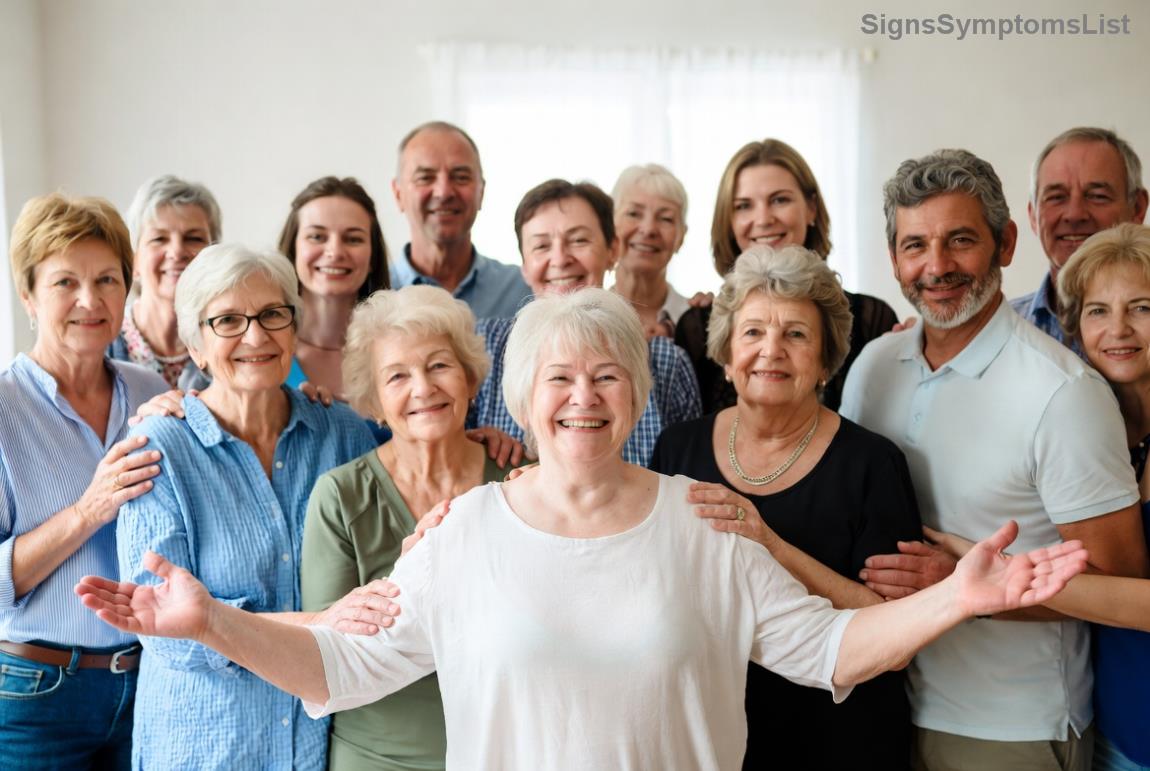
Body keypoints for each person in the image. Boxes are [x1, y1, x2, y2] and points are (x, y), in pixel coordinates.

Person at [79, 287, 1088, 771]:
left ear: (637, 391)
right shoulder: (461, 530)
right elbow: (339, 672)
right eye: (557, 378)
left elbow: (832, 650)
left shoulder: (702, 523)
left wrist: (958, 597)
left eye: (607, 375)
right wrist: (210, 623)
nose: (583, 397)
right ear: (520, 398)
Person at [842, 149, 1148, 771]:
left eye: (960, 240)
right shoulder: (872, 367)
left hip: (1010, 726)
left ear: (1006, 243)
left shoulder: (1064, 394)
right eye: (914, 245)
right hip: (878, 699)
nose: (936, 266)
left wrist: (964, 590)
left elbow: (1124, 586)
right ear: (893, 257)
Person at [650, 245, 921, 769]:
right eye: (753, 332)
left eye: (796, 334)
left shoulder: (872, 464)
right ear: (726, 356)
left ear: (826, 362)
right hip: (711, 736)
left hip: (842, 739)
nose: (771, 349)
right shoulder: (676, 449)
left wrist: (769, 544)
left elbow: (897, 636)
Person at [114, 243, 380, 769]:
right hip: (206, 746)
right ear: (196, 347)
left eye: (272, 315)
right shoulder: (159, 448)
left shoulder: (346, 434)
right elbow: (167, 633)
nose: (256, 336)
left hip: (318, 747)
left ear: (294, 327)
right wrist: (322, 622)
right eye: (228, 320)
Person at [301, 285, 505, 770]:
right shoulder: (340, 496)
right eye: (397, 375)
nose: (423, 388)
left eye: (439, 365)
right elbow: (329, 653)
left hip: (505, 749)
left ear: (470, 378)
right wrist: (412, 575)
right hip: (378, 757)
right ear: (373, 399)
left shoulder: (520, 480)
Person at [0, 193, 168, 767]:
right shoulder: (3, 407)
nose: (89, 301)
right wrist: (88, 510)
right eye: (65, 282)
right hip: (35, 696)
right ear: (27, 295)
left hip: (149, 684)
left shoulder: (151, 393)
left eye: (107, 280)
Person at [471, 178, 700, 465]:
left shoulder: (666, 362)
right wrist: (476, 443)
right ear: (525, 266)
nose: (560, 259)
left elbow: (691, 474)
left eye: (579, 240)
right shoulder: (483, 346)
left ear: (613, 250)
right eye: (541, 246)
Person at [676, 138, 897, 412]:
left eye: (779, 200)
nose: (764, 219)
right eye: (743, 205)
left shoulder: (872, 320)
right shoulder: (696, 326)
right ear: (729, 220)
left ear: (811, 208)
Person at [1012, 127, 1148, 354]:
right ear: (1033, 216)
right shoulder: (1003, 334)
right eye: (1056, 197)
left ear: (1137, 208)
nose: (1074, 214)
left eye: (1097, 196)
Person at [389, 121, 532, 319]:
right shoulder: (370, 295)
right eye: (425, 178)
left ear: (481, 191)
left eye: (461, 177)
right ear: (398, 194)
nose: (444, 192)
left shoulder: (524, 292)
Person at [276, 176, 390, 395]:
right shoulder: (263, 348)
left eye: (353, 239)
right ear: (293, 250)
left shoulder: (396, 350)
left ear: (373, 258)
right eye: (317, 236)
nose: (335, 252)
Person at [109, 174, 221, 390]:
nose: (177, 252)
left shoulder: (229, 339)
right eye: (159, 238)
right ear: (134, 259)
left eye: (194, 238)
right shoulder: (103, 341)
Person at [609, 164, 691, 337]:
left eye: (665, 219)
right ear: (610, 225)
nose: (648, 229)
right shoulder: (587, 316)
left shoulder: (701, 322)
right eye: (634, 214)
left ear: (681, 236)